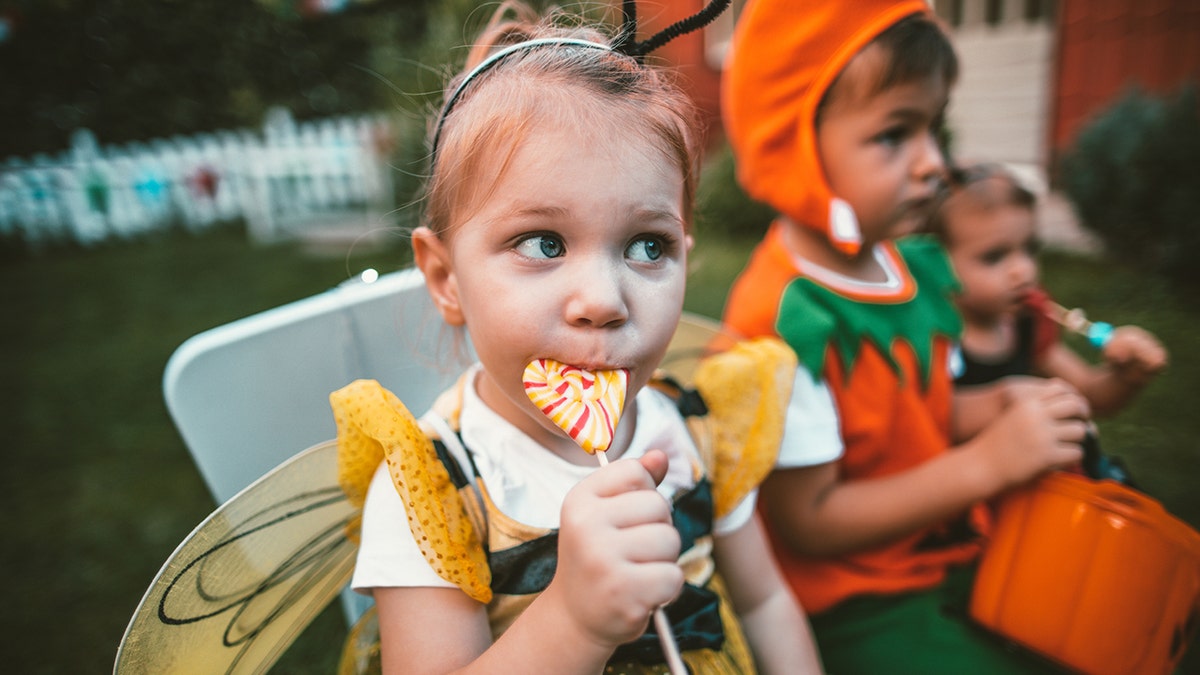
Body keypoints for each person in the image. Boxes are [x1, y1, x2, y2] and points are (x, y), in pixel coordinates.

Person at [328, 3, 824, 673]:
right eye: (544, 243)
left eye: (648, 245)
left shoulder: (689, 430)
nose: (604, 300)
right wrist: (573, 620)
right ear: (446, 278)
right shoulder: (438, 491)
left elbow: (764, 604)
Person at [719, 0, 1092, 672]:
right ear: (794, 144)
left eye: (933, 128)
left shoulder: (904, 265)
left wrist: (1001, 402)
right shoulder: (787, 320)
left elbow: (908, 416)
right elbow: (812, 518)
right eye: (895, 135)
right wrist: (987, 464)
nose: (933, 164)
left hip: (946, 554)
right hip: (858, 604)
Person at [925, 162, 1168, 416]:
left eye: (1029, 249)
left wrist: (1126, 377)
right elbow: (934, 419)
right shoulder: (931, 336)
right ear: (932, 263)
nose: (1023, 271)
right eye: (994, 257)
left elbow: (1089, 393)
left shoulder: (1025, 322)